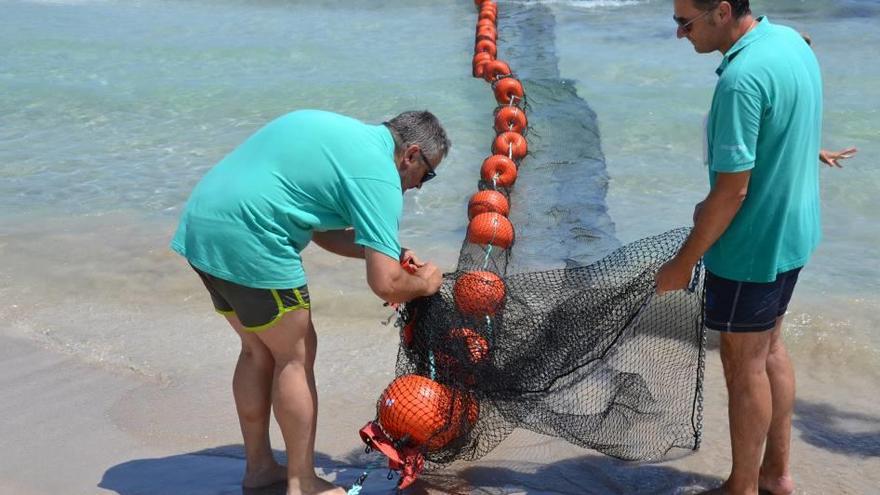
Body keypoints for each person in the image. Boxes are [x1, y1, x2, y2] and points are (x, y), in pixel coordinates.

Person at [170, 109, 449, 495]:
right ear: (411, 155)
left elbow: (322, 234)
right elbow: (385, 285)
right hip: (251, 235)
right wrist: (426, 284)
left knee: (257, 350)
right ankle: (302, 483)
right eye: (428, 174)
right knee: (296, 356)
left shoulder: (347, 138)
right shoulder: (380, 176)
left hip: (203, 224)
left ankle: (260, 470)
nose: (420, 187)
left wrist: (390, 250)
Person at [657, 2, 824, 494]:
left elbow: (732, 193)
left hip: (750, 247)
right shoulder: (792, 42)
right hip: (795, 234)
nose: (679, 34)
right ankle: (776, 476)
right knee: (770, 347)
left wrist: (682, 264)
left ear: (723, 11)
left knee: (743, 361)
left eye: (685, 22)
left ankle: (742, 487)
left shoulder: (740, 80)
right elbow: (788, 117)